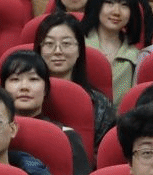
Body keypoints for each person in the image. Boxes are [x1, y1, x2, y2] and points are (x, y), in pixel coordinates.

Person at [0, 49, 92, 175]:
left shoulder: (66, 136)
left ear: (46, 89)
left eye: (33, 79)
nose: (24, 87)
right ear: (3, 89)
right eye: (15, 79)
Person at [35, 11, 117, 146]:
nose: (57, 51)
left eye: (66, 43)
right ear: (39, 50)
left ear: (79, 50)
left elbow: (104, 152)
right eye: (49, 44)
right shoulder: (26, 98)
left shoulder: (99, 104)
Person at [82, 0, 144, 98]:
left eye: (124, 5)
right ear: (97, 5)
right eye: (109, 2)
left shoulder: (136, 56)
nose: (116, 12)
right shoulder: (79, 46)